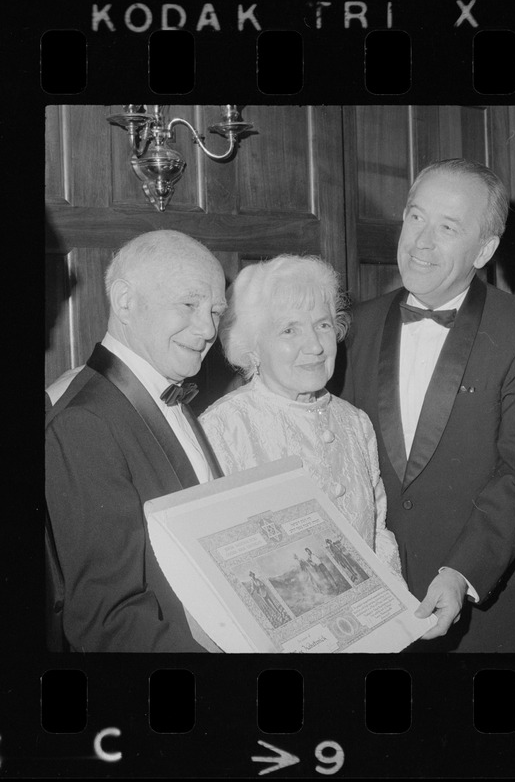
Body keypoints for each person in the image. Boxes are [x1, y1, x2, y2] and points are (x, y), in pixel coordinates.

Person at [341, 159, 515, 652]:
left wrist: (461, 572)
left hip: (492, 607)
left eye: (447, 227)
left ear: (484, 249)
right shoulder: (353, 326)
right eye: (416, 217)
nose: (421, 241)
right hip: (379, 605)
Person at [45, 230, 227, 652]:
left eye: (216, 311)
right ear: (125, 301)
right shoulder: (83, 423)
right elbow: (108, 621)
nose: (207, 329)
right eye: (189, 304)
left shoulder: (168, 390)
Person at [198, 254, 401, 575]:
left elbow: (378, 532)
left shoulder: (355, 423)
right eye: (289, 330)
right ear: (252, 347)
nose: (316, 346)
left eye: (322, 325)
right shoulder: (223, 427)